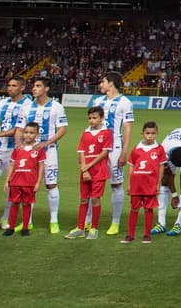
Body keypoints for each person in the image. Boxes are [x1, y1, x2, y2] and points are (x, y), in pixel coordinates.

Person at [21, 77, 68, 233]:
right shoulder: (27, 107)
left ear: (46, 89)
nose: (34, 88)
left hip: (49, 151)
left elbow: (62, 129)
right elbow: (20, 129)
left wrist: (46, 143)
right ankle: (27, 221)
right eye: (33, 86)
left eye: (38, 86)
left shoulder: (56, 107)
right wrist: (20, 146)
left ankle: (54, 221)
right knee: (28, 186)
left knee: (51, 184)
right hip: (29, 153)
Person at [91, 72, 135, 236]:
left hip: (115, 147)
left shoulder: (125, 103)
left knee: (116, 184)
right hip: (97, 147)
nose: (100, 84)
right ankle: (89, 221)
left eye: (102, 81)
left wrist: (124, 152)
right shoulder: (97, 101)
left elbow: (127, 127)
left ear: (111, 83)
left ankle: (115, 222)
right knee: (92, 182)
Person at [0, 75, 32, 228]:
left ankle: (5, 218)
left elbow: (19, 129)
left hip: (15, 149)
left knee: (13, 184)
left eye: (14, 86)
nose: (10, 88)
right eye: (9, 85)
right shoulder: (2, 102)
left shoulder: (28, 104)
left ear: (22, 87)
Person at [67, 105, 112, 239]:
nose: (91, 120)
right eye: (90, 118)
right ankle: (80, 228)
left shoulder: (106, 133)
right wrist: (84, 169)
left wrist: (88, 166)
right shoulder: (85, 133)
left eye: (94, 118)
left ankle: (94, 228)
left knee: (95, 199)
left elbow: (104, 153)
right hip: (86, 171)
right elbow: (81, 152)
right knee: (83, 199)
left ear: (102, 118)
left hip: (99, 170)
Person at [121, 121, 166, 244]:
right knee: (134, 209)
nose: (150, 136)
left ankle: (147, 235)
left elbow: (161, 167)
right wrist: (129, 184)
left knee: (148, 209)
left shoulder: (159, 149)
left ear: (156, 133)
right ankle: (130, 234)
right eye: (147, 133)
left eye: (153, 133)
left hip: (150, 184)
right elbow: (131, 166)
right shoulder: (136, 149)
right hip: (136, 184)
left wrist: (158, 183)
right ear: (142, 133)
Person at [3, 120, 44, 237]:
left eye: (31, 133)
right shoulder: (18, 148)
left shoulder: (38, 149)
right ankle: (11, 227)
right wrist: (7, 180)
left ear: (37, 134)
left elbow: (41, 166)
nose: (28, 135)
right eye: (26, 132)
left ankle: (25, 227)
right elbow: (12, 164)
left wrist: (38, 182)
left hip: (29, 182)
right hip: (16, 181)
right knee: (14, 203)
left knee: (26, 204)